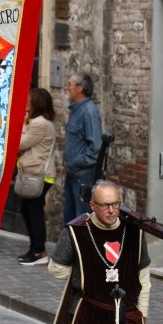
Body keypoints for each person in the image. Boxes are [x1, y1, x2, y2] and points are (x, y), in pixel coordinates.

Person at [47, 179, 151, 324]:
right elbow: (56, 269)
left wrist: (143, 313)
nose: (111, 210)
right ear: (93, 205)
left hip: (128, 311)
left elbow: (143, 275)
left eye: (115, 204)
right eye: (105, 205)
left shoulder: (134, 230)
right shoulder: (77, 231)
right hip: (92, 310)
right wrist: (86, 273)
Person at [16, 88, 56, 267]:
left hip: (39, 175)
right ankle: (34, 249)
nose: (26, 102)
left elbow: (21, 143)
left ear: (36, 103)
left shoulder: (40, 124)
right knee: (28, 210)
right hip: (34, 173)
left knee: (34, 212)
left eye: (29, 100)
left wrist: (24, 123)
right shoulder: (38, 122)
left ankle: (39, 251)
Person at [62, 71, 102, 224]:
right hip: (73, 175)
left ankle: (81, 249)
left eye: (70, 85)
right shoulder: (76, 110)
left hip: (83, 176)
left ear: (79, 89)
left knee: (81, 222)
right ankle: (71, 248)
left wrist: (77, 161)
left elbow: (96, 149)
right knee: (71, 221)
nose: (67, 88)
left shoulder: (88, 112)